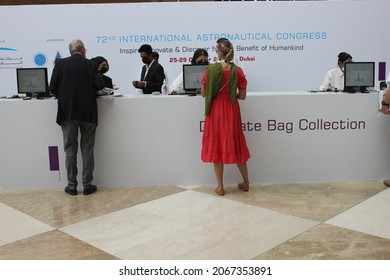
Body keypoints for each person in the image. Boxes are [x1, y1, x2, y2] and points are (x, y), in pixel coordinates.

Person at [49, 39, 105, 196]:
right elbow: (100, 85)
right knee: (87, 149)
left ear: (70, 51)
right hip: (88, 113)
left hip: (67, 113)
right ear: (83, 50)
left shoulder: (60, 64)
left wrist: (65, 95)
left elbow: (52, 88)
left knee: (70, 149)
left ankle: (71, 186)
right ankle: (87, 185)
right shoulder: (91, 65)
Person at [200, 38, 250, 196]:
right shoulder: (238, 71)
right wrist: (229, 94)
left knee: (217, 147)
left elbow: (203, 93)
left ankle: (220, 186)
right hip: (231, 110)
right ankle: (246, 182)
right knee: (236, 146)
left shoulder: (210, 70)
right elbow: (242, 96)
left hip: (215, 111)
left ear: (220, 52)